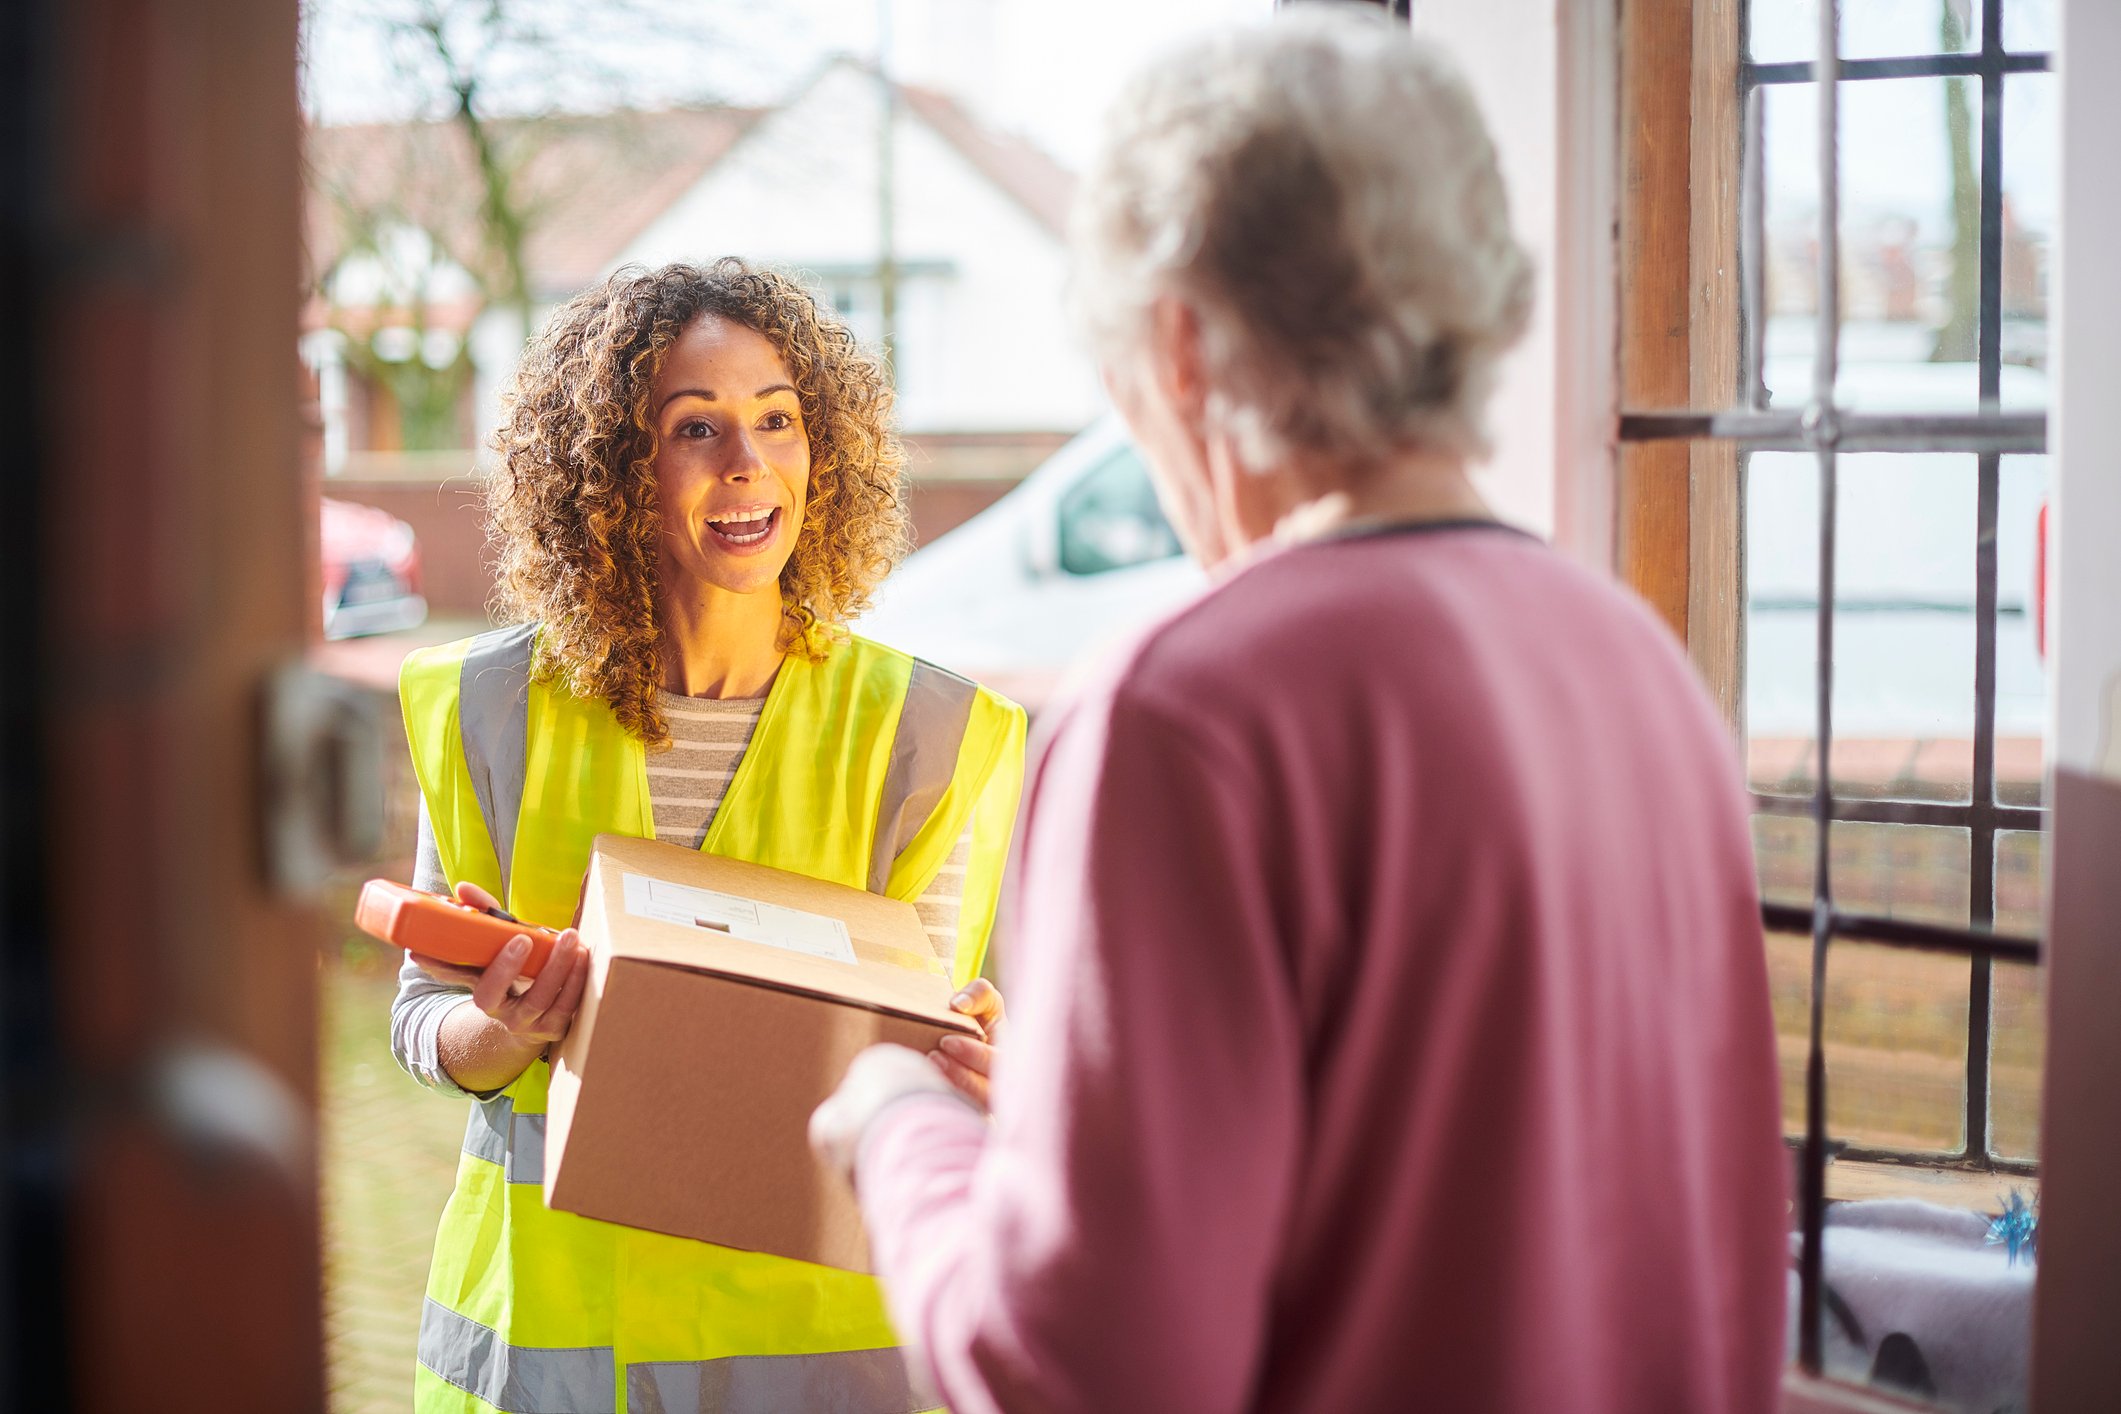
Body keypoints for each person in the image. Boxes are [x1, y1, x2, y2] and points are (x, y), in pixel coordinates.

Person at [809, 11, 1788, 1413]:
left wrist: (902, 1129)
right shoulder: (1636, 663)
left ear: (1183, 347)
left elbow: (1082, 1376)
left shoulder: (1188, 712)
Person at [389, 258, 1025, 1413]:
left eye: (778, 419)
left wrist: (990, 1069)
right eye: (696, 427)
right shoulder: (489, 707)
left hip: (812, 1357)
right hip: (546, 1354)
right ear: (614, 470)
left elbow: (979, 1038)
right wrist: (497, 1034)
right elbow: (421, 1018)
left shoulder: (927, 733)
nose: (748, 464)